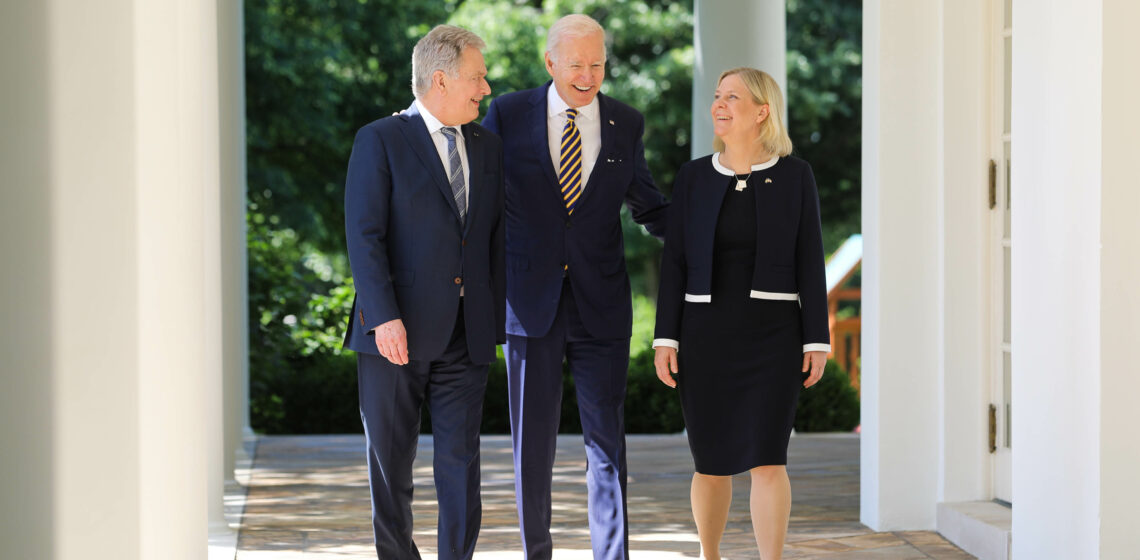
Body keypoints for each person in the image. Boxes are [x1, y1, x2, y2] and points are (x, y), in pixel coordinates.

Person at [481, 14, 669, 560]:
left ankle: (611, 555)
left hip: (601, 306)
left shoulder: (625, 123)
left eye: (597, 64)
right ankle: (536, 552)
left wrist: (706, 236)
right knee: (531, 448)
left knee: (607, 446)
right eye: (576, 65)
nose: (588, 76)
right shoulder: (508, 114)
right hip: (528, 303)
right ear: (550, 63)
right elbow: (478, 198)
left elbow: (648, 205)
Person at [652, 67, 830, 560]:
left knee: (768, 459)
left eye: (732, 97)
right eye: (716, 96)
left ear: (761, 111)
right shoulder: (692, 177)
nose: (719, 105)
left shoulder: (796, 176)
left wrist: (816, 340)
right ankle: (710, 555)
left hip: (774, 338)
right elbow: (676, 264)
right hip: (705, 337)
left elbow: (809, 260)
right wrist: (665, 337)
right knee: (710, 462)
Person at [342, 24, 504, 560]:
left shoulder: (488, 146)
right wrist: (382, 318)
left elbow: (493, 238)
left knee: (460, 464)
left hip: (467, 332)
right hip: (396, 332)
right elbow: (364, 236)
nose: (485, 88)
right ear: (441, 78)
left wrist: (494, 315)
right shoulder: (380, 139)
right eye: (477, 77)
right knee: (391, 465)